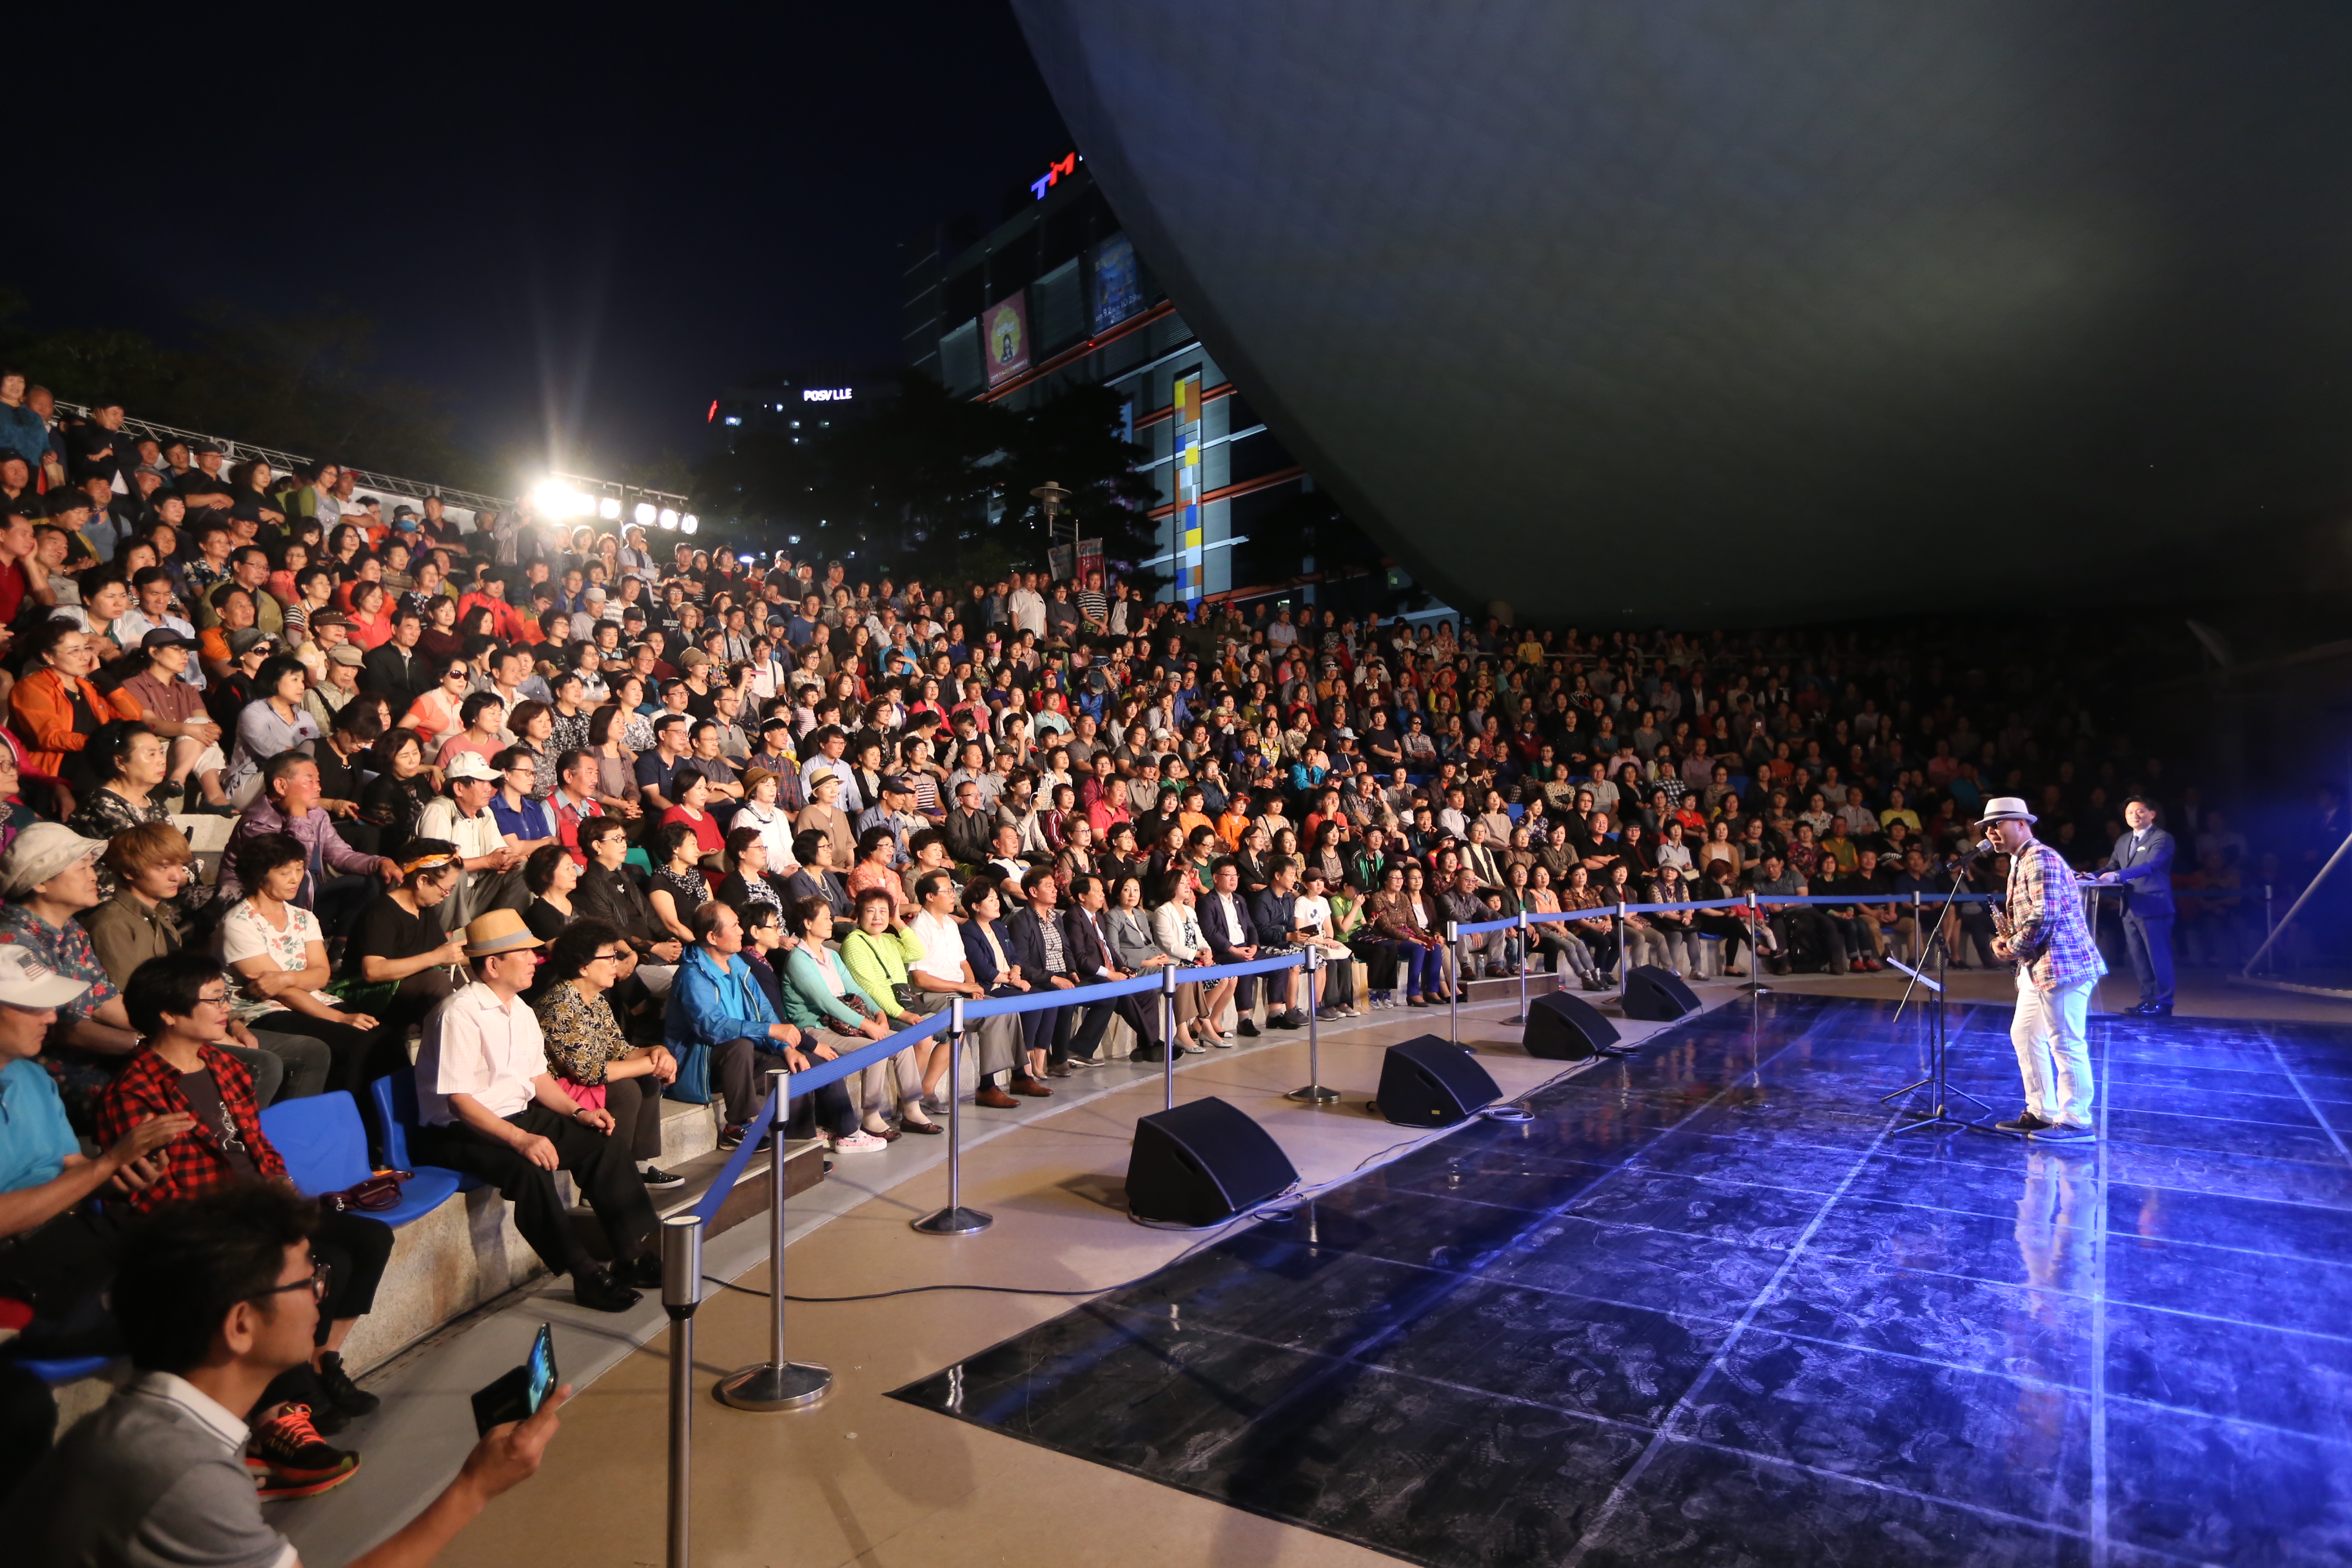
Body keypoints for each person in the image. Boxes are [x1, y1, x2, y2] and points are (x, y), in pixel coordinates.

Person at [3, 1183, 573, 1566]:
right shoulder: (179, 1473)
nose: (322, 1296)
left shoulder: (148, 1427)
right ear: (240, 1325)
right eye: (309, 1281)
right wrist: (475, 1488)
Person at [95, 955, 397, 1473]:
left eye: (223, 995)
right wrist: (258, 1227)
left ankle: (321, 1359)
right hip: (213, 1230)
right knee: (324, 1265)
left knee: (369, 1240)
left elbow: (258, 1146)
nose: (225, 1008)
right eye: (213, 999)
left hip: (261, 1209)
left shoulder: (227, 1066)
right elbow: (155, 1199)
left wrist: (281, 1190)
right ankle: (283, 1412)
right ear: (168, 1014)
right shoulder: (136, 1091)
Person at [411, 910, 658, 1311]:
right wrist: (522, 1139)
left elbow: (538, 1080)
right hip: (460, 1129)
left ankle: (631, 1253)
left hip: (516, 1114)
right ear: (493, 965)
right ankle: (584, 1273)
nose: (534, 959)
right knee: (529, 1169)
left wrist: (579, 1113)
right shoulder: (459, 1014)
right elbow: (459, 1102)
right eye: (523, 952)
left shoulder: (520, 1010)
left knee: (603, 1143)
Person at [667, 898, 865, 1150]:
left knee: (798, 1067)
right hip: (704, 1064)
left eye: (739, 924)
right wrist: (770, 1031)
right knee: (737, 1045)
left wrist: (785, 1048)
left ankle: (798, 1144)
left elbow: (764, 1012)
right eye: (734, 926)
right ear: (713, 937)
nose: (741, 931)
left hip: (748, 1053)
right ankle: (736, 1126)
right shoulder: (692, 975)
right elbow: (712, 1027)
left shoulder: (738, 965)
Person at [1981, 796, 2102, 1142]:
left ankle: (2077, 1120)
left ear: (2022, 824)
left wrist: (2014, 947)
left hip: (2062, 965)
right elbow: (2027, 916)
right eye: (1988, 826)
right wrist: (2003, 943)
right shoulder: (2020, 860)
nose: (1991, 832)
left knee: (2065, 1041)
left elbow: (2044, 914)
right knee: (2024, 1034)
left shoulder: (2040, 857)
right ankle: (2041, 1112)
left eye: (1998, 824)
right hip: (2040, 966)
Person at [533, 919, 683, 1189]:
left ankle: (636, 1164)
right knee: (627, 1088)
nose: (616, 964)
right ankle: (606, 1182)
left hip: (583, 1084)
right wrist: (651, 1065)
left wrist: (658, 1052)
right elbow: (590, 1072)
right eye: (610, 957)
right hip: (555, 1094)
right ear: (583, 965)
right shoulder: (560, 1004)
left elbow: (621, 1050)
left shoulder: (596, 999)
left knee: (646, 1081)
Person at [2099, 794, 2177, 1016]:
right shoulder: (2124, 840)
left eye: (2140, 811)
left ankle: (2164, 1002)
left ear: (2152, 814)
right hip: (2129, 907)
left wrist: (2117, 876)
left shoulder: (2162, 838)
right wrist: (2088, 877)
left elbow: (2151, 866)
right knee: (2139, 958)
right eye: (2130, 812)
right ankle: (2147, 1000)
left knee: (2157, 957)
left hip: (2154, 906)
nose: (2134, 815)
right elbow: (2111, 865)